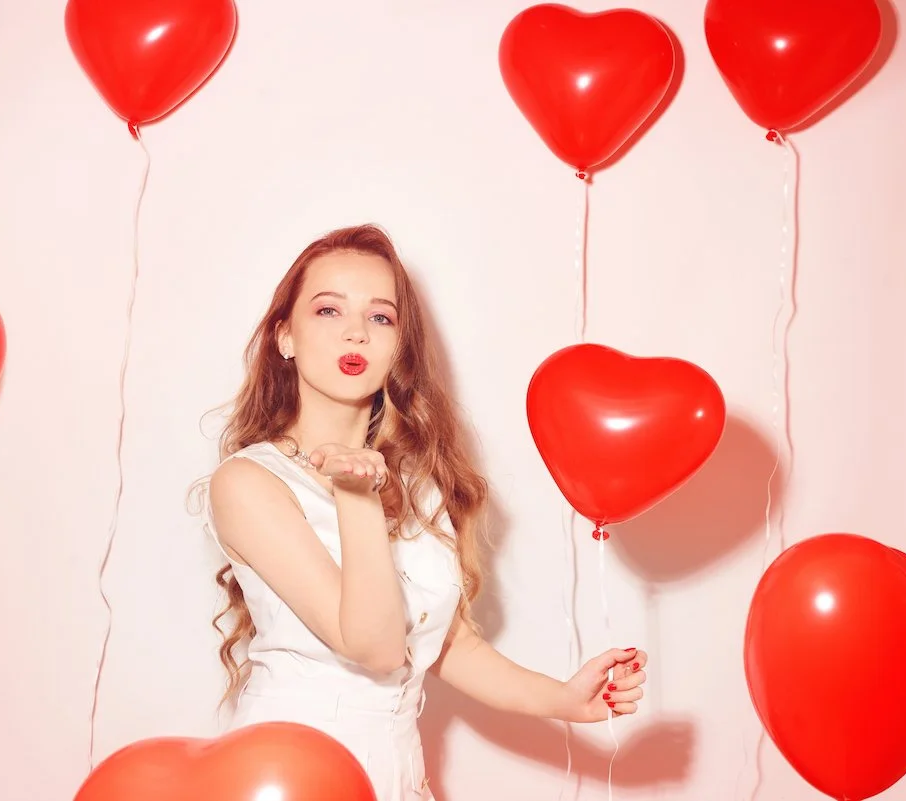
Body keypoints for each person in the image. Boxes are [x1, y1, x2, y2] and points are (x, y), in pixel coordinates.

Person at [199, 224, 647, 800]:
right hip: (289, 771)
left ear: (398, 346)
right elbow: (375, 646)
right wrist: (356, 495)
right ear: (285, 337)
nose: (356, 332)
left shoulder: (417, 486)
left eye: (381, 317)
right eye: (329, 310)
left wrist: (562, 699)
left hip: (397, 773)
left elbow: (441, 642)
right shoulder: (249, 482)